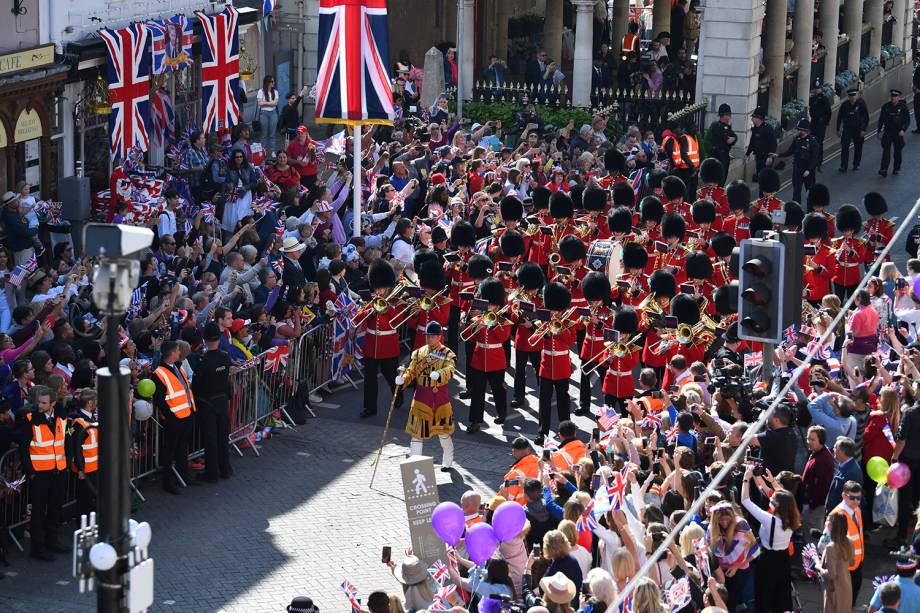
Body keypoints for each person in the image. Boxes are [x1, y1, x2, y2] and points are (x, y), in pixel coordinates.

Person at [17, 385, 69, 561]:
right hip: (40, 472)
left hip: (58, 469)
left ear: (53, 403)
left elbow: (64, 440)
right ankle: (37, 548)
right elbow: (24, 448)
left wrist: (66, 464)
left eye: (44, 403)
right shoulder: (30, 419)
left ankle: (52, 541)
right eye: (39, 402)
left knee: (55, 507)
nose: (40, 405)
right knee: (38, 511)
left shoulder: (61, 417)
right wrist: (30, 471)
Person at [399, 321, 456, 472]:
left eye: (432, 336)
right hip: (421, 396)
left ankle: (448, 458)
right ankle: (414, 467)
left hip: (439, 398)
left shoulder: (447, 354)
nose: (429, 339)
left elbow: (450, 369)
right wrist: (404, 379)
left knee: (443, 432)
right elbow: (411, 370)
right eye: (427, 336)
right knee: (417, 433)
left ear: (439, 337)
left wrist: (440, 374)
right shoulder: (419, 353)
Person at [741, 465, 799, 613]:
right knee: (781, 594)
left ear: (779, 505)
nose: (770, 499)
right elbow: (786, 497)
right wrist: (772, 481)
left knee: (764, 594)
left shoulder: (769, 520)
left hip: (768, 560)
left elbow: (745, 501)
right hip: (784, 559)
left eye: (772, 500)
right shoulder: (793, 517)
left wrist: (746, 479)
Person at [151, 340, 196, 494]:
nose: (179, 353)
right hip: (174, 418)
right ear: (171, 354)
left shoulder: (177, 367)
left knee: (183, 447)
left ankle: (183, 475)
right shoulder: (158, 374)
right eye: (177, 351)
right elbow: (159, 400)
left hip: (186, 413)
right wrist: (170, 417)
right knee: (169, 450)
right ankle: (168, 482)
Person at [192, 322, 232, 482]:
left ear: (205, 339)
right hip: (222, 401)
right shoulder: (225, 357)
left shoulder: (204, 360)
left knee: (210, 439)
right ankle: (225, 468)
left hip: (207, 403)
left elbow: (197, 384)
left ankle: (212, 472)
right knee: (223, 436)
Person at [67, 388, 98, 520]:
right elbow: (76, 448)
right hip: (86, 470)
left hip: (96, 467)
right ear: (90, 403)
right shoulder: (78, 422)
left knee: (92, 501)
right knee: (84, 503)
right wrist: (80, 469)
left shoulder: (92, 417)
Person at [800, 425, 835, 543]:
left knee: (812, 538)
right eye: (808, 438)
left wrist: (811, 505)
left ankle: (813, 559)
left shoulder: (823, 460)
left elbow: (822, 488)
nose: (808, 442)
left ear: (821, 441)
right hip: (810, 504)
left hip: (814, 508)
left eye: (812, 439)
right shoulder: (817, 453)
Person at [815, 511, 854, 613]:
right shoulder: (850, 541)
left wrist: (819, 566)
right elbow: (851, 562)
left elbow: (831, 575)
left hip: (834, 591)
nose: (826, 523)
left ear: (833, 526)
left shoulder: (831, 547)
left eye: (828, 521)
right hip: (846, 587)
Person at [778, 118, 819, 203]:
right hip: (797, 169)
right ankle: (796, 210)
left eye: (799, 129)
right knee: (796, 192)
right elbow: (790, 151)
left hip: (808, 171)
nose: (798, 131)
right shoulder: (797, 139)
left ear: (805, 130)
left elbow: (814, 158)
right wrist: (778, 155)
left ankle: (810, 211)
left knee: (809, 192)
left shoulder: (812, 141)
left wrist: (808, 170)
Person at [878, 89, 910, 177]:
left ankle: (896, 167)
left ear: (899, 98)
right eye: (892, 96)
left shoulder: (903, 107)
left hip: (898, 132)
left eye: (895, 97)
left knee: (897, 151)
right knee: (886, 151)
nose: (893, 98)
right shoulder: (886, 107)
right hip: (888, 131)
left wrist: (903, 130)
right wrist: (879, 130)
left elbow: (907, 120)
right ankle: (883, 169)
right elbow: (881, 119)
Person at [836, 89, 869, 172]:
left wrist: (863, 129)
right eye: (851, 96)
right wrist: (838, 129)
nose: (852, 98)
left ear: (856, 96)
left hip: (858, 129)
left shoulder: (861, 104)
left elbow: (866, 117)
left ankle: (856, 164)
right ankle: (844, 166)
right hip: (847, 129)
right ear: (848, 97)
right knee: (844, 147)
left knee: (858, 147)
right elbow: (839, 117)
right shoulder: (845, 105)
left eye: (854, 96)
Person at [707, 104, 736, 183]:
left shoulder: (727, 127)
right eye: (729, 115)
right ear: (723, 116)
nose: (730, 117)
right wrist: (730, 139)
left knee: (723, 178)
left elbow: (734, 137)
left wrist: (733, 138)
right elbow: (725, 138)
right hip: (718, 156)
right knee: (718, 179)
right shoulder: (717, 126)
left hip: (725, 155)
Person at [746, 107, 777, 180]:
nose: (752, 119)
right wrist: (747, 153)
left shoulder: (768, 129)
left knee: (765, 179)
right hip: (759, 157)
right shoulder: (755, 129)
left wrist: (770, 157)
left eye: (753, 117)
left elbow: (773, 144)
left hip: (766, 158)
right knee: (760, 177)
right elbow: (752, 142)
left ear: (758, 118)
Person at [809, 83, 832, 168]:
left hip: (821, 123)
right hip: (814, 122)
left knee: (819, 142)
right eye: (816, 88)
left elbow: (829, 112)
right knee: (812, 141)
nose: (817, 90)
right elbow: (811, 110)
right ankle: (813, 159)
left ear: (821, 89)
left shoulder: (824, 99)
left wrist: (826, 121)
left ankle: (819, 160)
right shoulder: (813, 99)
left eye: (818, 88)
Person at [255, 75, 279, 156]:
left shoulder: (275, 92)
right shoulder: (260, 91)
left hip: (273, 113)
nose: (273, 83)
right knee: (264, 134)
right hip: (264, 113)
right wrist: (270, 103)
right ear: (267, 82)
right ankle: (263, 150)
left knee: (272, 133)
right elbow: (259, 103)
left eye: (273, 81)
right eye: (272, 82)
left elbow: (275, 103)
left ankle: (273, 151)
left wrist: (265, 103)